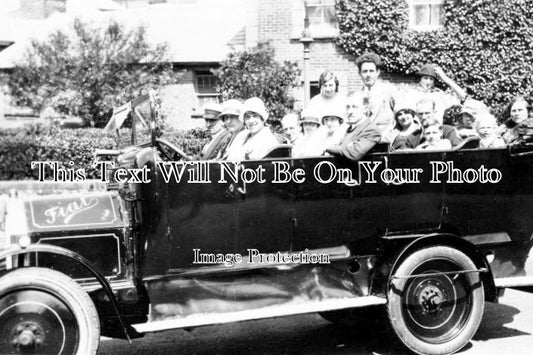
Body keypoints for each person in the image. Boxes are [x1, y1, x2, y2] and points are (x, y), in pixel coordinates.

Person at [325, 92, 381, 161]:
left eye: (354, 107)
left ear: (365, 109)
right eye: (348, 107)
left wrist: (327, 148)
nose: (350, 111)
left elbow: (354, 153)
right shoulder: (349, 129)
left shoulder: (372, 130)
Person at [355, 52, 395, 134]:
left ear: (378, 72)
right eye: (365, 71)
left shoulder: (389, 91)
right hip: (363, 140)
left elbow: (401, 112)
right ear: (359, 73)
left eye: (371, 71)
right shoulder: (357, 96)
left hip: (385, 138)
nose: (368, 75)